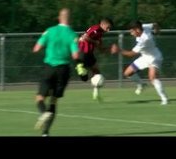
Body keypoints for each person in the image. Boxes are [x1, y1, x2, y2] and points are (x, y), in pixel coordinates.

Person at [32, 8, 83, 136]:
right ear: (69, 19)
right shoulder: (72, 34)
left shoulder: (49, 31)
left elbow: (36, 48)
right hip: (63, 70)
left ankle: (43, 113)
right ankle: (45, 133)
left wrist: (46, 44)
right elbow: (75, 55)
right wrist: (81, 68)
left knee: (39, 97)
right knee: (54, 101)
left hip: (49, 67)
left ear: (59, 18)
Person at [111, 20, 168, 105]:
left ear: (137, 29)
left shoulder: (145, 39)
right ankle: (141, 84)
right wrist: (157, 31)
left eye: (132, 31)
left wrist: (119, 50)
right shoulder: (144, 26)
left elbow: (131, 54)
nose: (131, 33)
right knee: (127, 73)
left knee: (152, 77)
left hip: (154, 57)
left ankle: (164, 99)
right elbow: (155, 24)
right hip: (144, 57)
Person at [76, 18, 114, 101]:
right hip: (83, 52)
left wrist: (107, 49)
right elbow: (85, 37)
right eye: (108, 27)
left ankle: (95, 92)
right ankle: (80, 66)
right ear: (103, 24)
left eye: (110, 28)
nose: (109, 30)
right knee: (91, 74)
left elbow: (99, 47)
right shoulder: (96, 29)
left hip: (89, 53)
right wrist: (95, 42)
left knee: (93, 74)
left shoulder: (99, 33)